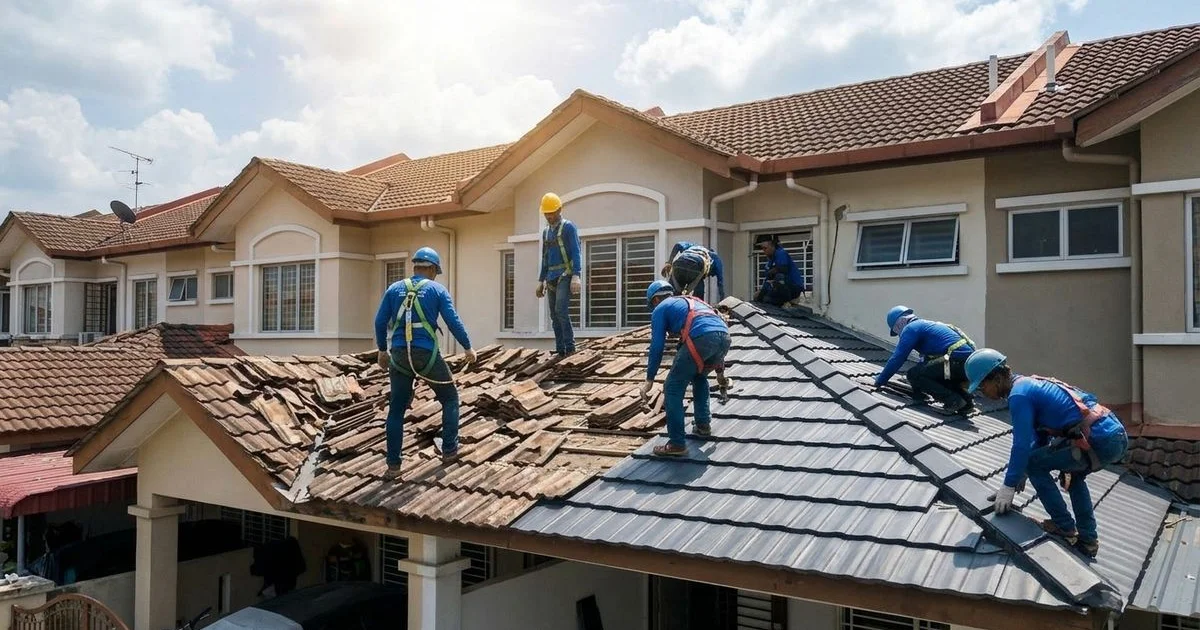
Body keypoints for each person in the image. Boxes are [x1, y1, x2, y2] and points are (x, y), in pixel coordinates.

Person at [966, 348, 1129, 558]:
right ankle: (1088, 540)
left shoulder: (1019, 395)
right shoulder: (1029, 384)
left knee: (1034, 464)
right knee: (1074, 476)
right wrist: (1019, 477)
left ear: (996, 378)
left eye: (982, 386)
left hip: (1097, 437)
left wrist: (1008, 485)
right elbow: (1040, 439)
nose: (982, 392)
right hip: (1112, 436)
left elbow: (1021, 445)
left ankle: (1064, 527)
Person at [374, 246, 476, 480]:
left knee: (396, 408)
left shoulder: (394, 289)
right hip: (426, 355)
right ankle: (449, 450)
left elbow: (380, 322)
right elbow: (453, 321)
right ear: (431, 269)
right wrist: (468, 347)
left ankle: (393, 466)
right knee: (450, 398)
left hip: (399, 355)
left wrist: (382, 350)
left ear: (416, 266)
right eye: (435, 272)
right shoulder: (436, 290)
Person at [640, 280, 731, 457]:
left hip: (701, 337)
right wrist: (720, 373)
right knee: (699, 376)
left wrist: (649, 380)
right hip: (724, 337)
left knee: (672, 387)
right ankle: (703, 425)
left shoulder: (661, 308)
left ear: (656, 300)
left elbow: (657, 345)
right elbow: (715, 333)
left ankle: (676, 444)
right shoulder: (694, 302)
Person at [874, 305, 976, 414]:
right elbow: (925, 365)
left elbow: (898, 357)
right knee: (935, 376)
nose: (899, 335)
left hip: (955, 361)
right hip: (966, 365)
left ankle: (953, 401)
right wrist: (917, 391)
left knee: (914, 375)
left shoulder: (911, 328)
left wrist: (881, 380)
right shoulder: (925, 326)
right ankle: (966, 402)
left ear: (898, 325)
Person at [535, 192, 582, 357]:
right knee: (554, 315)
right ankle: (560, 348)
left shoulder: (568, 227)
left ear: (559, 210)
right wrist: (540, 281)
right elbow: (545, 257)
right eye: (546, 213)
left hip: (566, 274)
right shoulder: (546, 232)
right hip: (551, 277)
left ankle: (570, 348)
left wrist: (576, 275)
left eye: (552, 212)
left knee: (561, 310)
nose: (549, 216)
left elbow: (576, 252)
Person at [661, 241, 725, 302]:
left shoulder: (691, 246)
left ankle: (667, 304)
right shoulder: (715, 258)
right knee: (698, 298)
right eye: (711, 274)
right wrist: (722, 300)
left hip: (678, 265)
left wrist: (669, 262)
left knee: (672, 294)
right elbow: (720, 283)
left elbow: (678, 244)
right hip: (696, 267)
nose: (710, 275)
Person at [752, 234, 805, 306]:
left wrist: (771, 272)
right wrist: (760, 296)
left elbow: (783, 269)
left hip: (793, 287)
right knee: (760, 296)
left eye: (765, 248)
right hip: (782, 287)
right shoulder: (770, 261)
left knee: (778, 276)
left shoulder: (781, 253)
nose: (764, 251)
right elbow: (767, 281)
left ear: (772, 246)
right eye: (762, 249)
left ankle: (785, 301)